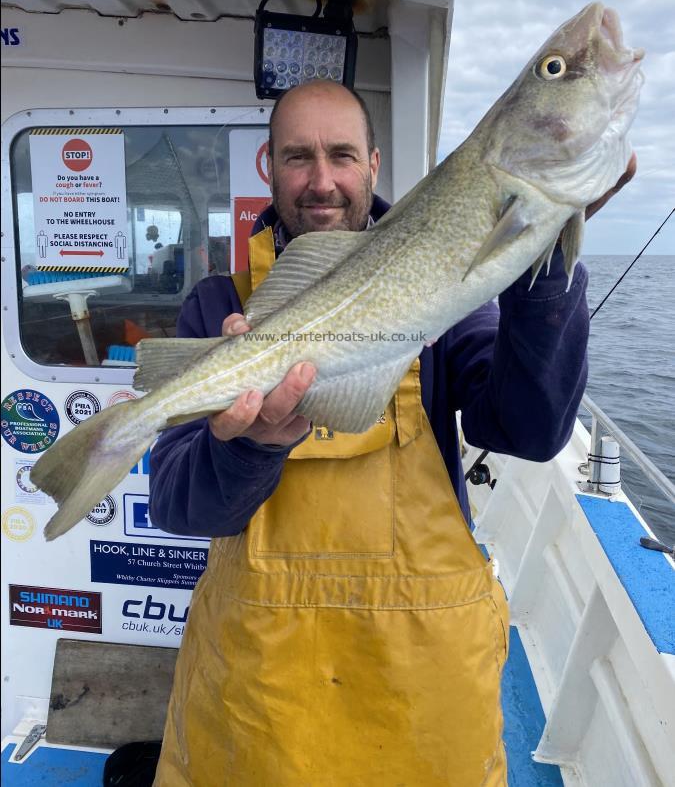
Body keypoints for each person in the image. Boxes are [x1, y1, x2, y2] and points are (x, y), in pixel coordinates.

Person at [149, 81, 635, 786]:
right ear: (268, 167)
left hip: (420, 691)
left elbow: (528, 430)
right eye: (298, 157)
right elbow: (177, 505)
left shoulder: (442, 286)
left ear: (374, 165)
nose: (322, 181)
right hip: (261, 689)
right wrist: (250, 445)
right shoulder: (220, 306)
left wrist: (542, 259)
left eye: (342, 155)